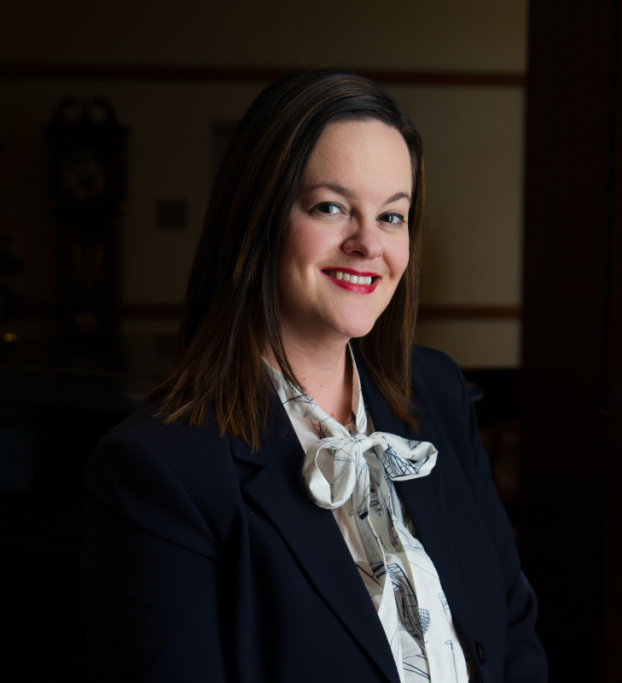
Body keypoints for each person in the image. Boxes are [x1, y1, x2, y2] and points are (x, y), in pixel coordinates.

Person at [80, 69, 546, 683]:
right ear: (260, 219)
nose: (367, 243)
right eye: (331, 207)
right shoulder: (159, 472)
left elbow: (512, 628)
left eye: (392, 216)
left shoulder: (436, 391)